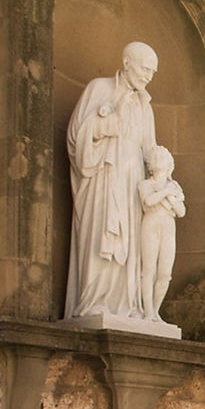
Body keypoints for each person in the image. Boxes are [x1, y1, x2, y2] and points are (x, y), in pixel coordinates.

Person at [65, 41, 159, 321]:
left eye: (153, 72)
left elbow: (149, 150)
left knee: (130, 243)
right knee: (100, 233)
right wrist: (103, 127)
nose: (148, 76)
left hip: (132, 181)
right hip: (103, 176)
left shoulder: (146, 105)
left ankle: (127, 304)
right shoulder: (99, 88)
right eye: (145, 69)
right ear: (127, 62)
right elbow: (74, 136)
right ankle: (94, 300)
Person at [137, 145, 186, 322]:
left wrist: (169, 197)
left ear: (169, 164)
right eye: (156, 158)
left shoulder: (175, 186)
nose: (159, 161)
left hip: (167, 225)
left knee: (165, 272)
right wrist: (166, 193)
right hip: (151, 223)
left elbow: (181, 211)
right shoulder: (145, 184)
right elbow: (148, 200)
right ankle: (148, 310)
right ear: (150, 164)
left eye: (162, 158)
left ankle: (156, 311)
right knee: (148, 268)